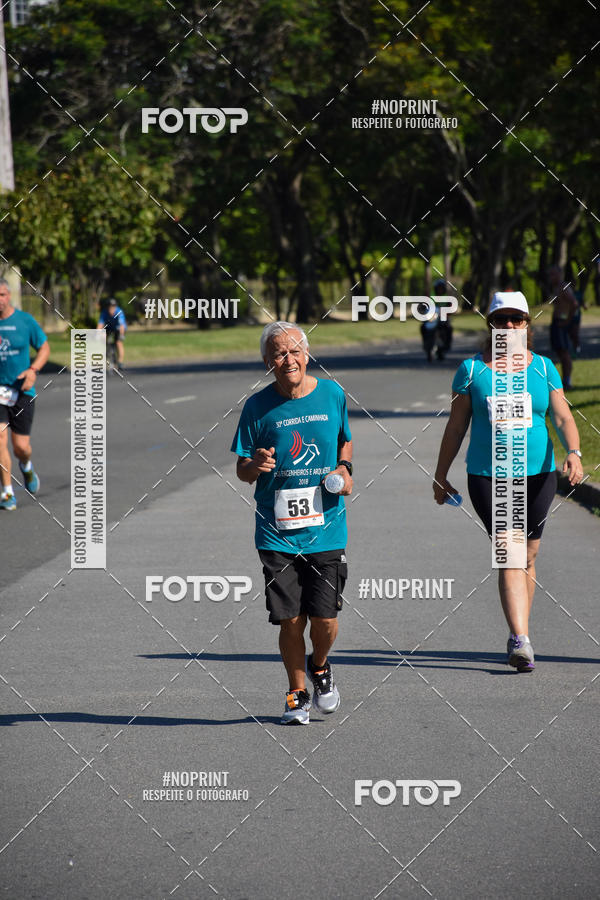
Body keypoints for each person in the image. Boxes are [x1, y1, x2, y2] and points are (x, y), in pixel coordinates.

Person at [433, 291, 584, 672]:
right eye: (502, 320)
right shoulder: (471, 371)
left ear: (527, 325)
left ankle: (522, 631)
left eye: (517, 319)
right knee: (510, 551)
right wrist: (440, 475)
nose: (510, 326)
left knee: (529, 555)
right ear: (491, 325)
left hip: (539, 473)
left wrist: (574, 451)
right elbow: (455, 427)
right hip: (489, 474)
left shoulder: (543, 368)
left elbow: (563, 417)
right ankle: (521, 638)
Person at [231, 321, 353, 724]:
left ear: (307, 355)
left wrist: (345, 468)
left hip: (327, 526)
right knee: (290, 618)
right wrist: (255, 465)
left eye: (295, 351)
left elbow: (344, 440)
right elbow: (242, 469)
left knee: (325, 619)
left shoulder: (333, 394)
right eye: (279, 354)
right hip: (275, 531)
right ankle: (297, 692)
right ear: (268, 362)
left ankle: (320, 666)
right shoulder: (256, 407)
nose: (289, 360)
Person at [0, 279, 50, 511]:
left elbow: (44, 347)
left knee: (21, 446)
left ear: (9, 295)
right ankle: (8, 492)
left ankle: (26, 465)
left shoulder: (25, 321)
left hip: (21, 391)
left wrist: (33, 370)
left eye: (2, 295)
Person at [547, 265, 578, 389]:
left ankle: (567, 381)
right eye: (550, 275)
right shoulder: (557, 288)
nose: (551, 277)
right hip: (556, 322)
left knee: (564, 353)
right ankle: (564, 380)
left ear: (560, 274)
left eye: (553, 274)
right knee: (560, 352)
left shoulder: (564, 287)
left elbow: (574, 304)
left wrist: (567, 321)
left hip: (561, 322)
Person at [97, 298, 126, 371]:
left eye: (113, 307)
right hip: (109, 327)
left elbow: (122, 325)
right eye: (110, 307)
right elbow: (100, 324)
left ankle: (120, 362)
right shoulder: (104, 312)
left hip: (118, 328)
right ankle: (107, 352)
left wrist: (121, 335)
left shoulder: (119, 312)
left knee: (119, 342)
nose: (111, 309)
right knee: (103, 339)